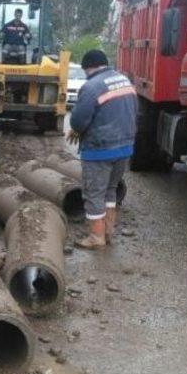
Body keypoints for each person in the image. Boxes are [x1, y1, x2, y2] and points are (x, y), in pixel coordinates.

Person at [68, 49, 137, 249]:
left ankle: (96, 237)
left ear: (88, 67)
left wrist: (77, 130)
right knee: (110, 190)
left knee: (94, 193)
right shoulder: (125, 81)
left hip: (100, 149)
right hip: (125, 148)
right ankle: (108, 231)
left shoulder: (91, 87)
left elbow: (78, 121)